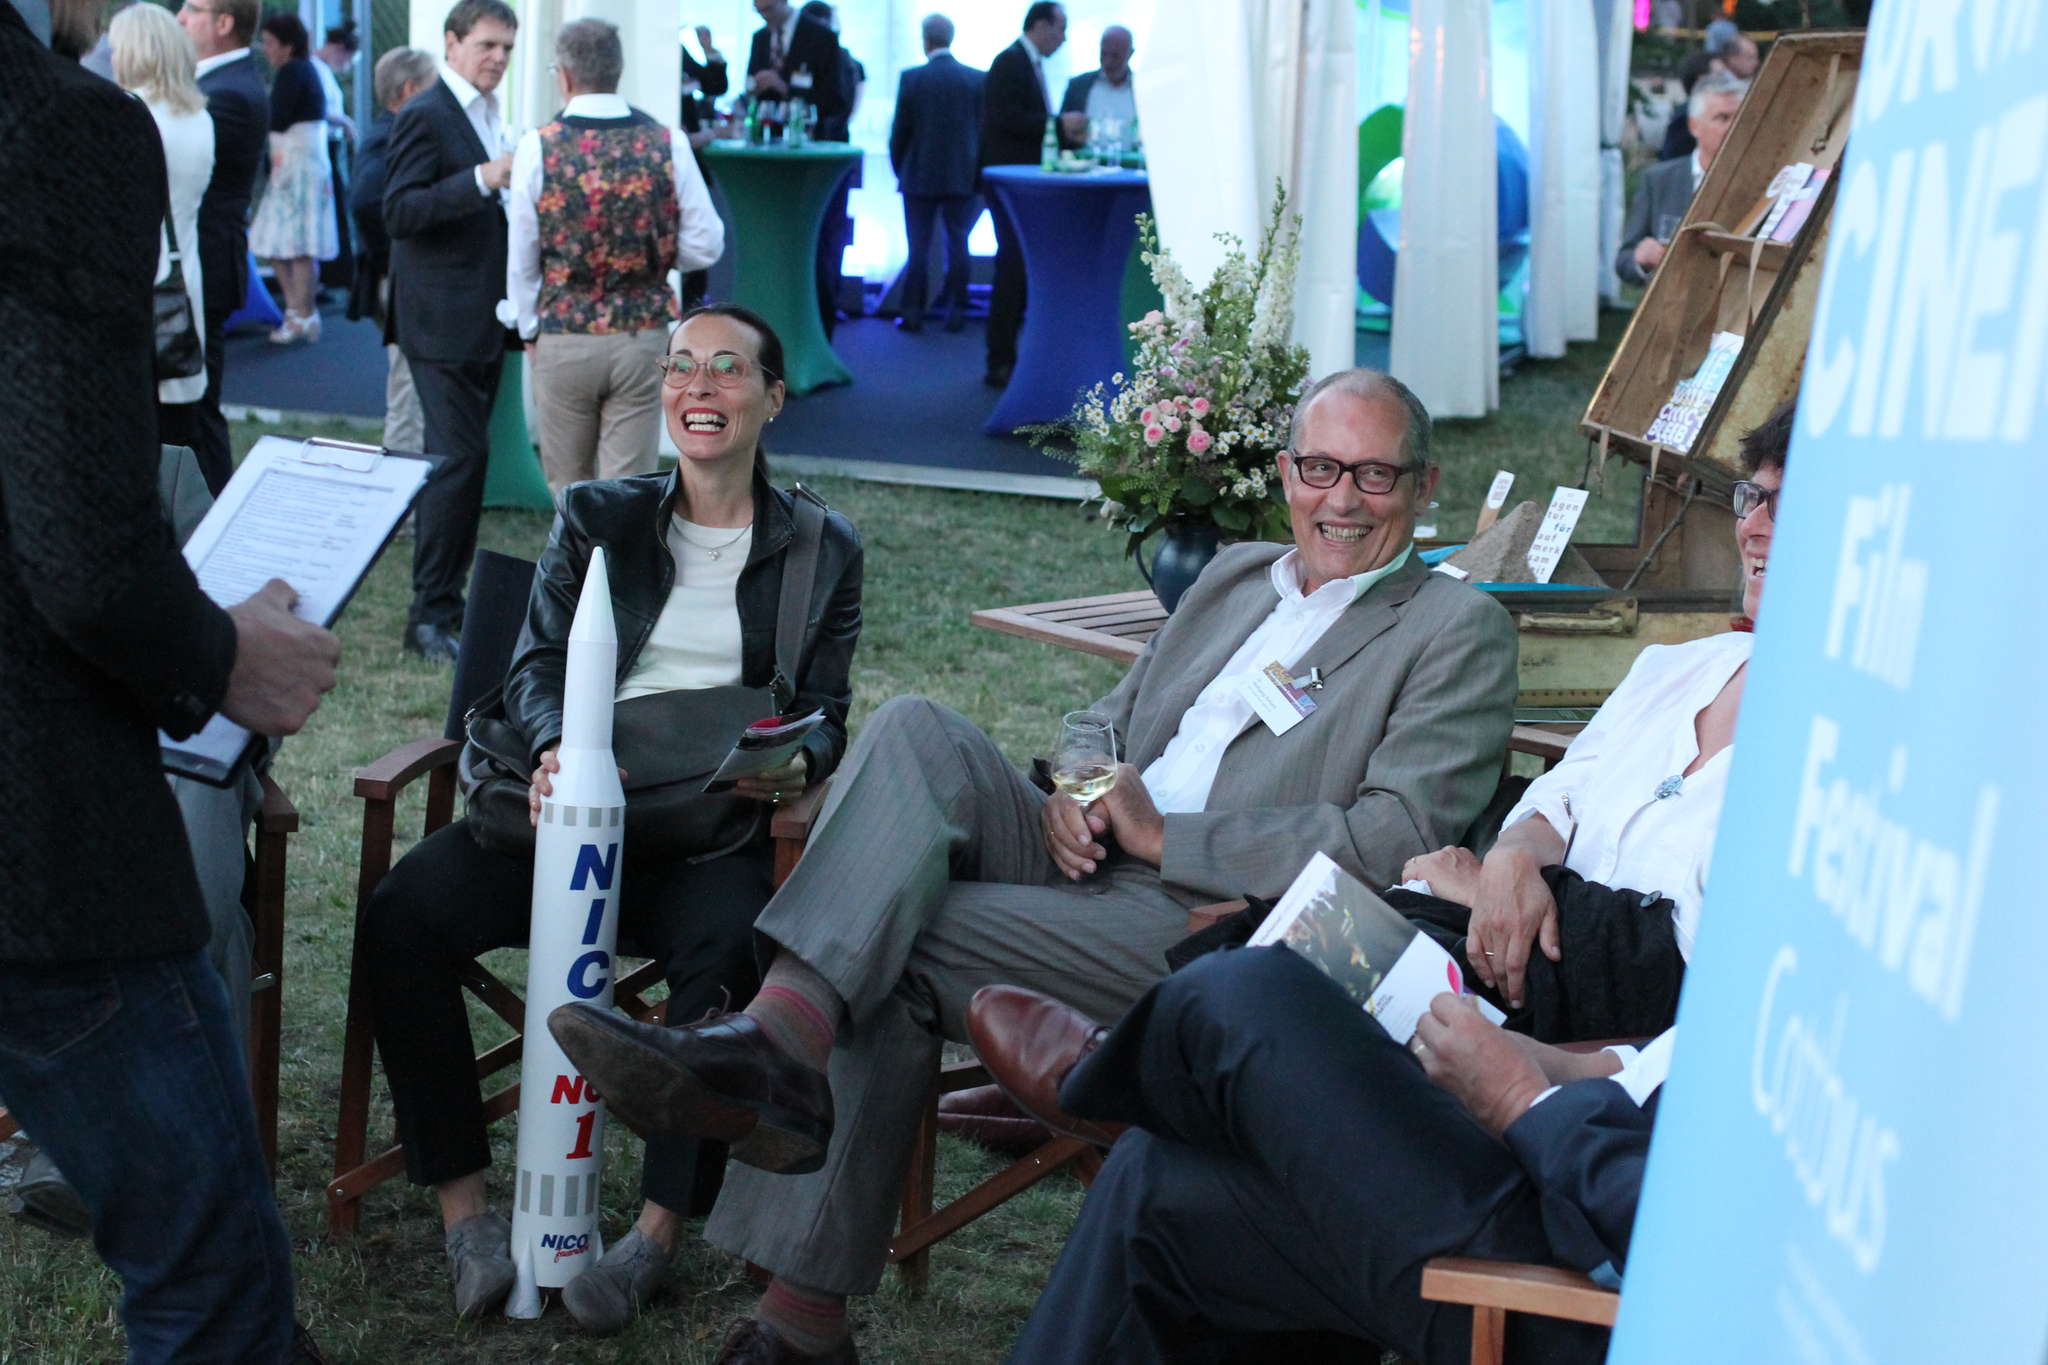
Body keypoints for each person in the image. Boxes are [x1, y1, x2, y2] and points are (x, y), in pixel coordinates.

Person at [553, 367, 1522, 1364]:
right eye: (1320, 469)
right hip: (1089, 854)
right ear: (1285, 473)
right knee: (916, 728)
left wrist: (1163, 837)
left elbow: (1395, 836)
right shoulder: (1240, 577)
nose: (1342, 499)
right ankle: (776, 1045)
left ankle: (794, 1267)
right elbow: (1103, 720)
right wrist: (1080, 788)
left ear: (1422, 486)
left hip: (1219, 931)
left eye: (1373, 474)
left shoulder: (1455, 630)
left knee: (892, 930)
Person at [361, 303, 863, 1333]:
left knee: (729, 950)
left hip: (706, 833)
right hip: (567, 813)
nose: (697, 388)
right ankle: (465, 1214)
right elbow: (536, 665)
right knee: (402, 915)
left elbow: (827, 710)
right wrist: (557, 747)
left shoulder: (820, 545)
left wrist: (797, 761)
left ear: (773, 398)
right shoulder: (600, 515)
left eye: (726, 370)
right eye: (680, 367)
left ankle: (652, 1238)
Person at [0, 3, 341, 1358]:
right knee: (209, 1261)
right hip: (37, 836)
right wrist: (221, 655)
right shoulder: (51, 129)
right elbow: (82, 546)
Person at [982, 950, 1662, 1364]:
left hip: (1604, 1300)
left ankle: (1125, 1088)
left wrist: (1519, 1099)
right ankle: (1165, 1104)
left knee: (1248, 994)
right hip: (1571, 1172)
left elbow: (1685, 1248)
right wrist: (1561, 1069)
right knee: (1161, 1180)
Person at [1396, 399, 1790, 1041]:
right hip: (1479, 961)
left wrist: (1478, 889)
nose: (1752, 525)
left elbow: (1684, 963)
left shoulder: (1842, 742)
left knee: (1263, 1000)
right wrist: (1511, 861)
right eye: (1753, 498)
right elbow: (1560, 795)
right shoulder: (1676, 667)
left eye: (1788, 504)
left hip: (1564, 1034)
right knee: (1260, 966)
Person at [509, 18, 723, 496]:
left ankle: (576, 547)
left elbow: (522, 256)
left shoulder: (537, 146)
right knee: (627, 490)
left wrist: (528, 328)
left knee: (569, 486)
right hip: (640, 333)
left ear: (564, 75)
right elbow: (707, 243)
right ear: (617, 70)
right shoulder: (666, 141)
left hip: (563, 331)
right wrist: (655, 256)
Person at [384, 0, 518, 663]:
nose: (498, 58)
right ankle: (429, 616)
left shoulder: (486, 113)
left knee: (468, 465)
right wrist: (482, 179)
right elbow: (399, 211)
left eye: (507, 49)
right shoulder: (427, 113)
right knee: (457, 463)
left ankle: (445, 608)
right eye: (487, 45)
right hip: (438, 321)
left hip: (479, 317)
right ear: (452, 43)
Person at [110, 1, 214, 447]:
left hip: (139, 292)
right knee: (178, 435)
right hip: (182, 285)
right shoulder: (199, 118)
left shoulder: (127, 117)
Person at [181, 0, 267, 495]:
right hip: (205, 260)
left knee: (197, 411)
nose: (180, 17)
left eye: (192, 7)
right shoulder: (224, 83)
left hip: (205, 263)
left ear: (224, 23)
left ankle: (213, 515)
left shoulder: (228, 92)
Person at [346, 45, 436, 456]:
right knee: (407, 395)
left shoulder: (391, 133)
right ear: (410, 89)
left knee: (411, 390)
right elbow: (366, 201)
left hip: (400, 278)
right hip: (399, 280)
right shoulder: (390, 137)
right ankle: (403, 489)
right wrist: (390, 262)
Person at [979, 2, 1066, 388]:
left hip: (1019, 185)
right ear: (1041, 25)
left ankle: (1010, 358)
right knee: (1013, 269)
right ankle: (1000, 358)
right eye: (1061, 28)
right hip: (1010, 186)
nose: (1064, 38)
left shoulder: (1024, 63)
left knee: (1017, 269)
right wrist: (1058, 125)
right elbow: (1006, 119)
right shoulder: (1009, 62)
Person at [888, 13, 982, 334]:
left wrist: (901, 168)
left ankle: (912, 312)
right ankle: (956, 310)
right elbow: (981, 131)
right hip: (962, 175)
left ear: (925, 40)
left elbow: (900, 133)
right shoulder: (976, 79)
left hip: (919, 174)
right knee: (959, 245)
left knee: (918, 248)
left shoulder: (912, 79)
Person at [248, 12, 334, 344]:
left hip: (295, 170)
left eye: (270, 43)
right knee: (291, 244)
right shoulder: (305, 70)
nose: (266, 49)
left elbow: (277, 117)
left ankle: (300, 313)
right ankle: (301, 312)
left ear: (288, 45)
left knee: (295, 246)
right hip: (300, 168)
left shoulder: (293, 72)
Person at [1617, 71, 1746, 287]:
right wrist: (1642, 260)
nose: (1733, 127)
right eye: (1722, 118)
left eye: (1740, 118)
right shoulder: (1659, 180)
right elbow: (1624, 260)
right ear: (1694, 126)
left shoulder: (1761, 183)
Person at [679, 22, 730, 310]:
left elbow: (715, 85)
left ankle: (696, 308)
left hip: (692, 162)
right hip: (673, 160)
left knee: (698, 235)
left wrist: (708, 49)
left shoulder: (678, 52)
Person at [1661, 30, 1756, 160]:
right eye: (1720, 76)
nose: (1726, 80)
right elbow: (1673, 159)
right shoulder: (1683, 116)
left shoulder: (1734, 103)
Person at [1056, 23, 1133, 150]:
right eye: (1104, 53)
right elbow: (1060, 131)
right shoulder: (1077, 86)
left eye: (1115, 55)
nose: (1108, 61)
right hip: (1083, 160)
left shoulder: (1143, 89)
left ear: (1130, 53)